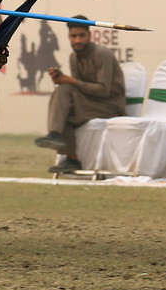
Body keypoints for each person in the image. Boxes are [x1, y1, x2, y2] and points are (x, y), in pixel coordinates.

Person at [35, 17, 126, 173]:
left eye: (82, 36)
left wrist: (70, 81)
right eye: (74, 36)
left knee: (65, 92)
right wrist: (62, 79)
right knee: (64, 97)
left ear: (89, 35)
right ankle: (72, 160)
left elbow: (104, 90)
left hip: (110, 106)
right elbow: (77, 87)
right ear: (68, 37)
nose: (78, 40)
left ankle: (54, 135)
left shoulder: (101, 54)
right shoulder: (73, 57)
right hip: (89, 104)